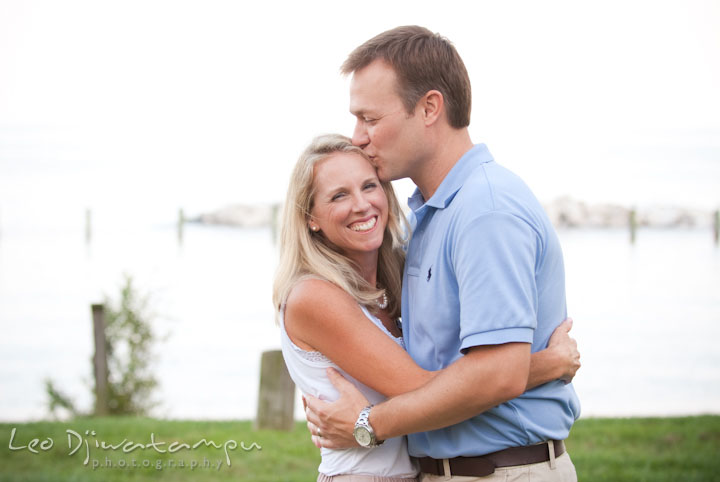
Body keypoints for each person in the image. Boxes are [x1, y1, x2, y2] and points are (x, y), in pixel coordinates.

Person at [303, 26, 581, 481]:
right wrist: (545, 364)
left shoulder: (484, 211)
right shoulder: (432, 216)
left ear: (429, 107)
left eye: (369, 119)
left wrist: (367, 425)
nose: (357, 137)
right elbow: (443, 373)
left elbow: (498, 375)